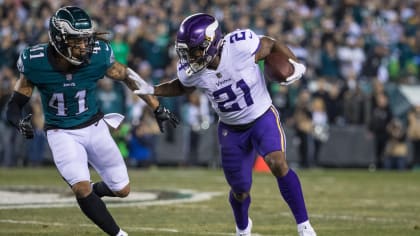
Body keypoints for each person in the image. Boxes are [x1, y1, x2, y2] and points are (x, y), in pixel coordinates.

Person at [134, 13, 316, 236]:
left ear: (212, 42)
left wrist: (295, 64)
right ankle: (242, 228)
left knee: (278, 163)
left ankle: (304, 226)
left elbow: (271, 44)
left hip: (261, 117)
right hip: (231, 129)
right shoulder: (193, 70)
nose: (191, 56)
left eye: (195, 49)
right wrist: (154, 89)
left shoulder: (240, 46)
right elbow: (182, 86)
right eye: (187, 51)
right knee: (240, 189)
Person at [5, 6, 179, 236]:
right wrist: (18, 122)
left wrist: (157, 107)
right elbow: (14, 104)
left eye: (86, 40)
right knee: (80, 187)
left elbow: (127, 76)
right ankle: (118, 233)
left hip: (94, 126)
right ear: (59, 39)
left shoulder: (97, 56)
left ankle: (92, 195)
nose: (84, 46)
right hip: (61, 132)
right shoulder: (35, 61)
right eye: (77, 41)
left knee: (122, 189)